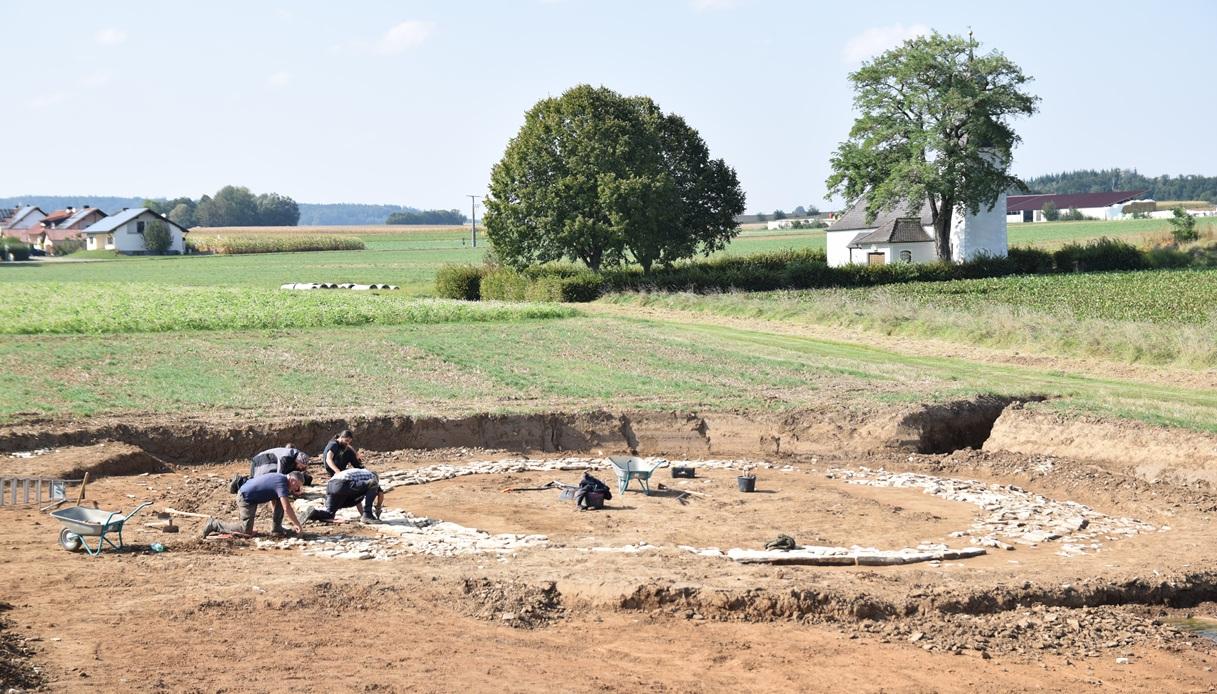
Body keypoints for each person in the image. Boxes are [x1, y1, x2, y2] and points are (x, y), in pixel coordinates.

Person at [203, 473, 305, 537]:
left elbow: (275, 500)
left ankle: (277, 529)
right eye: (297, 486)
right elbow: (287, 508)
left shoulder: (281, 478)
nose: (296, 489)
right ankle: (214, 524)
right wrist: (298, 525)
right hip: (246, 498)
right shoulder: (282, 483)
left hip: (250, 495)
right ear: (292, 480)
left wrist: (276, 521)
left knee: (282, 499)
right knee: (245, 530)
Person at [302, 467, 382, 524]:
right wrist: (378, 507)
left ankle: (313, 513)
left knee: (329, 514)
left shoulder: (359, 475)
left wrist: (362, 515)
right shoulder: (371, 476)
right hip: (342, 484)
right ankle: (368, 515)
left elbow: (357, 496)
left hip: (331, 486)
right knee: (373, 484)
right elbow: (380, 494)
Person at [229, 447, 311, 493]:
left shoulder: (295, 457)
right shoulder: (286, 459)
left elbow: (296, 475)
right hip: (262, 461)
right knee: (261, 482)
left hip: (271, 461)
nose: (302, 469)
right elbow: (279, 477)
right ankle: (239, 482)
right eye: (302, 466)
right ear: (298, 461)